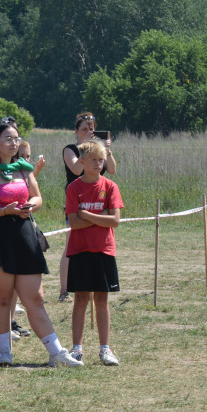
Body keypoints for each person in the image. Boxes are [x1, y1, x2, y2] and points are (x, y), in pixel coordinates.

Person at [0, 121, 82, 367]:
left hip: (23, 236)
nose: (13, 143)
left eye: (16, 139)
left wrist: (31, 206)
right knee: (2, 298)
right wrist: (5, 211)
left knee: (36, 298)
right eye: (8, 139)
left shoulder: (24, 169)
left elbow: (37, 197)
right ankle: (3, 353)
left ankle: (57, 353)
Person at [65, 139, 123, 365]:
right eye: (94, 160)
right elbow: (74, 223)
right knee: (80, 299)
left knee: (101, 299)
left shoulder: (110, 187)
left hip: (104, 250)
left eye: (102, 160)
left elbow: (115, 220)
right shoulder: (74, 188)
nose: (99, 164)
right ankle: (77, 348)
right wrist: (100, 219)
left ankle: (105, 349)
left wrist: (87, 216)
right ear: (82, 162)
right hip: (80, 250)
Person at [61, 112, 117, 301]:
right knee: (71, 246)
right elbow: (77, 170)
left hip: (99, 200)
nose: (89, 132)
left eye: (91, 129)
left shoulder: (99, 152)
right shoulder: (70, 149)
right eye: (84, 129)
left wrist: (106, 150)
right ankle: (64, 290)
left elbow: (112, 170)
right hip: (77, 202)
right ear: (76, 131)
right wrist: (86, 150)